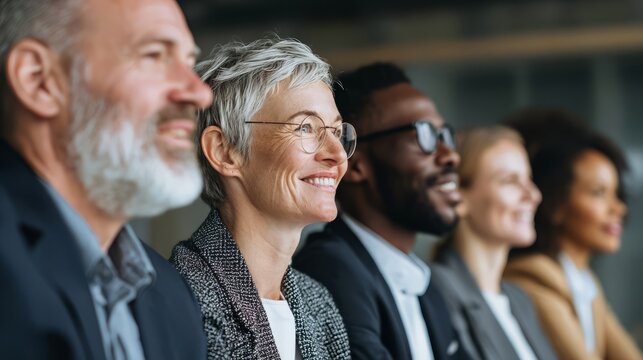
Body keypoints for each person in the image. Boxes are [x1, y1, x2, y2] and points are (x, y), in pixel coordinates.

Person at [0, 0, 213, 359]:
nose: (199, 92)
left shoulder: (172, 296)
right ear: (39, 80)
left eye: (189, 63)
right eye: (155, 55)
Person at [169, 38, 355, 360]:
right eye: (305, 128)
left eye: (337, 132)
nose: (337, 155)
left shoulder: (319, 303)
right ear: (225, 151)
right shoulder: (181, 299)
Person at [293, 62, 468, 360]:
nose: (449, 155)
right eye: (424, 134)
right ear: (357, 164)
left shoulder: (424, 284)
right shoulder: (330, 270)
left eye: (444, 135)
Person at [504, 126, 643, 359]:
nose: (618, 208)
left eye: (616, 194)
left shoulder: (584, 283)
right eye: (598, 193)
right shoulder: (532, 280)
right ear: (555, 204)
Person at [430, 126, 557, 360]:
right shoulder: (438, 290)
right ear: (459, 197)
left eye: (528, 179)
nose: (534, 195)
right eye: (510, 181)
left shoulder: (519, 300)